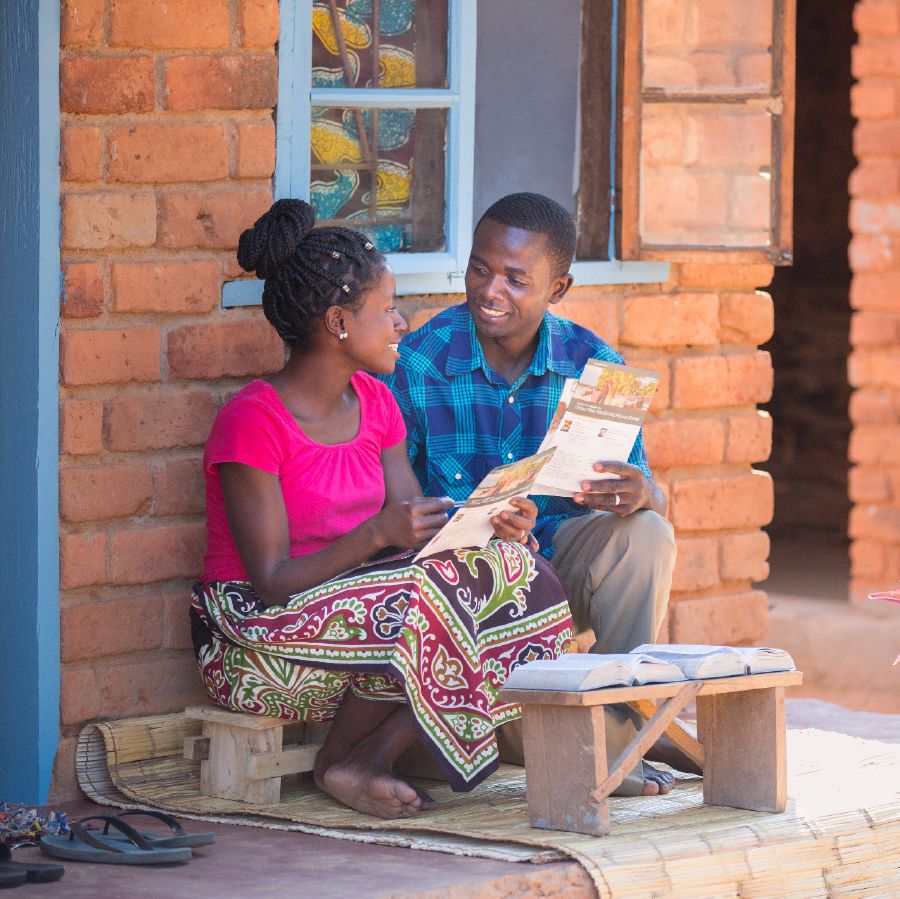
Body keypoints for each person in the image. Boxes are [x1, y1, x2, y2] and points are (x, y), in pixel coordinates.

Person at [190, 199, 573, 820]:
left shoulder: (376, 402)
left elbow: (413, 531)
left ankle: (358, 758)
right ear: (339, 322)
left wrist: (491, 527)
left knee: (516, 573)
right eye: (387, 309)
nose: (402, 322)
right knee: (426, 603)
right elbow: (269, 581)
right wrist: (376, 537)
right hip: (251, 631)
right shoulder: (252, 421)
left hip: (358, 603)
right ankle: (345, 759)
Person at [382, 192, 682, 796]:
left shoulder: (593, 362)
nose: (490, 290)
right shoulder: (417, 362)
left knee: (646, 534)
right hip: (463, 587)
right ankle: (578, 745)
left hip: (557, 570)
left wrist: (642, 492)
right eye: (479, 268)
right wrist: (483, 530)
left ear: (560, 287)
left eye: (516, 279)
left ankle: (614, 731)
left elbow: (648, 496)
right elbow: (392, 510)